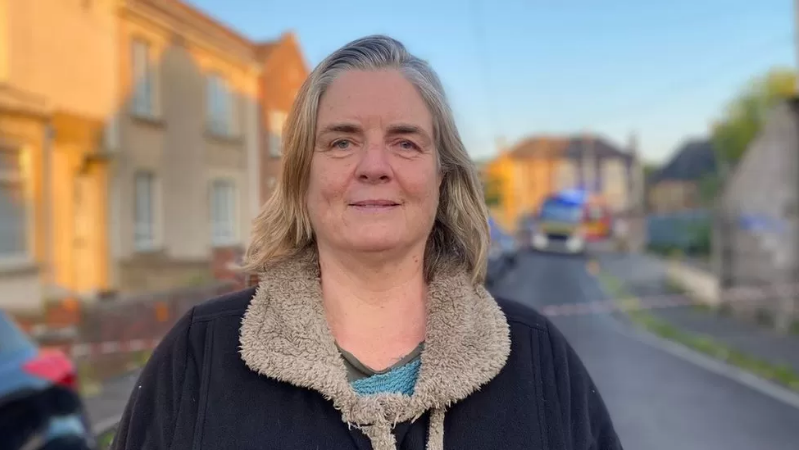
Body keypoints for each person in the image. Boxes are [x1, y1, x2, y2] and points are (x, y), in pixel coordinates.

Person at [111, 35, 622, 450]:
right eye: (341, 142)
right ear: (300, 178)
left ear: (442, 177)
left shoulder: (535, 358)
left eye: (405, 142)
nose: (374, 167)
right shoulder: (200, 356)